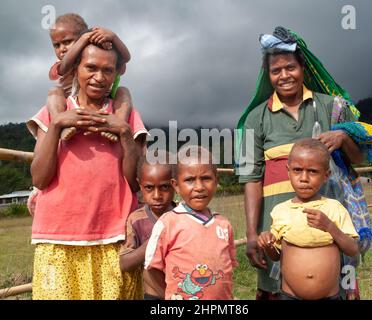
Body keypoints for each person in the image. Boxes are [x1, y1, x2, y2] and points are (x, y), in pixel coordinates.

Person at [236, 27, 364, 300]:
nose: (284, 76)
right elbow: (250, 178)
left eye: (290, 67)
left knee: (332, 285)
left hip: (328, 227)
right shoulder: (255, 119)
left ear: (302, 67)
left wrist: (343, 137)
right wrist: (251, 234)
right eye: (275, 70)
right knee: (279, 289)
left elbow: (358, 158)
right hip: (279, 231)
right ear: (267, 75)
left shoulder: (332, 107)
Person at [28, 42, 148, 299]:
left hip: (114, 238)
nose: (99, 77)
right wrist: (58, 125)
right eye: (91, 67)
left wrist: (124, 133)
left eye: (108, 70)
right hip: (58, 238)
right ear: (76, 69)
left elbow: (136, 182)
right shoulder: (55, 112)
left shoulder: (125, 115)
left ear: (116, 74)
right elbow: (39, 177)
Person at [258, 138, 359, 300]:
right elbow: (277, 256)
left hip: (329, 296)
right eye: (297, 170)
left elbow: (353, 249)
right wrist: (267, 244)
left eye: (312, 171)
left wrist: (330, 227)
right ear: (288, 171)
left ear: (326, 175)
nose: (304, 178)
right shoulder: (281, 211)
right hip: (290, 296)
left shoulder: (334, 208)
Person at [144, 146, 238, 300]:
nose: (199, 187)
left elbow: (227, 271)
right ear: (176, 185)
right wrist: (170, 294)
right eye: (189, 180)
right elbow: (151, 269)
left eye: (206, 178)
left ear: (216, 181)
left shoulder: (223, 224)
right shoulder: (168, 224)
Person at [27, 13, 133, 142]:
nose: (62, 49)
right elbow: (65, 66)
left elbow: (126, 58)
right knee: (54, 91)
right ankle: (61, 123)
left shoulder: (97, 56)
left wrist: (113, 38)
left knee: (124, 91)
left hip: (105, 97)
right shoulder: (62, 64)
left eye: (67, 42)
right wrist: (83, 40)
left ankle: (118, 125)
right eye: (56, 45)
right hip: (70, 103)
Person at [119, 151, 176, 300]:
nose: (157, 195)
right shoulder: (136, 220)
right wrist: (152, 243)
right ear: (140, 185)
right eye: (149, 188)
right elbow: (124, 263)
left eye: (164, 187)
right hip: (151, 295)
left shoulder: (184, 217)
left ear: (175, 184)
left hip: (186, 291)